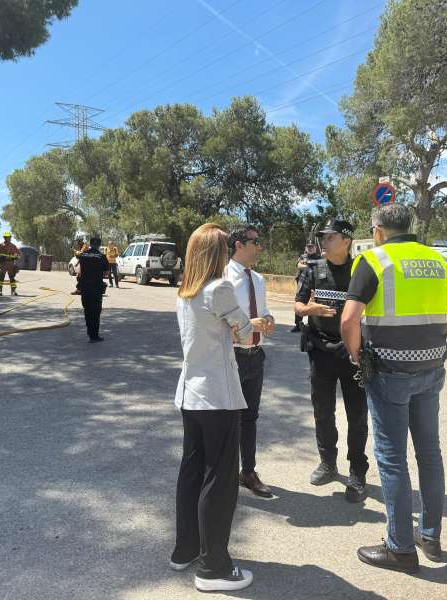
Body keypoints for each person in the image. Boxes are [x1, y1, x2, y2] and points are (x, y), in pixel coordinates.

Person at [341, 204, 447, 574]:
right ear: (409, 226)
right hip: (431, 368)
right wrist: (444, 334)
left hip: (388, 371)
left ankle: (400, 547)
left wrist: (357, 355)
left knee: (392, 459)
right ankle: (430, 536)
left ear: (377, 231)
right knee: (429, 453)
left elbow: (348, 319)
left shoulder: (374, 261)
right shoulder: (439, 262)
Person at [172, 223, 266, 593]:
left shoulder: (185, 292)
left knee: (191, 473)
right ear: (218, 254)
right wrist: (251, 324)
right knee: (220, 480)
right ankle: (213, 568)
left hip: (190, 394)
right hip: (218, 397)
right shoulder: (220, 288)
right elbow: (245, 333)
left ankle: (186, 549)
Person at [294, 218, 369, 503]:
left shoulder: (362, 270)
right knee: (322, 411)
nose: (323, 242)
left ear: (346, 240)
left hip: (352, 353)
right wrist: (308, 308)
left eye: (329, 237)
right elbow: (297, 305)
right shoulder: (313, 269)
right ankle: (328, 462)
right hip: (320, 350)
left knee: (357, 415)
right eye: (322, 238)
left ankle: (357, 472)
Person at [223, 225, 276, 498]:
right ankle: (225, 474)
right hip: (231, 357)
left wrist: (269, 320)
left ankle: (248, 471)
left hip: (255, 356)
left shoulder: (258, 279)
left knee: (250, 418)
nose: (259, 246)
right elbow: (219, 323)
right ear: (239, 245)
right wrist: (248, 325)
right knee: (228, 418)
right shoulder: (222, 278)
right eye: (255, 242)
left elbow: (263, 311)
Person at [77, 235, 110, 342]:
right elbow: (106, 272)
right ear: (99, 245)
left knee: (87, 310)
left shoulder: (83, 255)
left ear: (90, 244)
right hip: (96, 288)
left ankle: (89, 333)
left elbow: (79, 271)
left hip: (85, 287)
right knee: (95, 312)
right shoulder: (102, 256)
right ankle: (94, 336)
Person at [292, 241, 321, 332]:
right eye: (308, 247)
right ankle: (298, 325)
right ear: (306, 248)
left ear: (315, 248)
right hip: (303, 283)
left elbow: (320, 267)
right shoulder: (302, 256)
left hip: (315, 284)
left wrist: (307, 265)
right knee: (299, 302)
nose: (310, 248)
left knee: (314, 304)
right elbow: (299, 265)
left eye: (312, 246)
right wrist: (311, 266)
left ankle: (313, 325)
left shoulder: (319, 257)